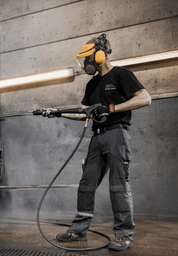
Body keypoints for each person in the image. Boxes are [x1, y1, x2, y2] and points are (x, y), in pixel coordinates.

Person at [47, 34, 151, 251]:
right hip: (97, 137)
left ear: (100, 54)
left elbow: (144, 98)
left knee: (118, 187)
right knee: (86, 185)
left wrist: (112, 109)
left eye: (88, 58)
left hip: (117, 135)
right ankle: (78, 231)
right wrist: (58, 113)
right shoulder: (92, 84)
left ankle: (124, 235)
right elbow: (85, 114)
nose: (86, 64)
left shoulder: (121, 74)